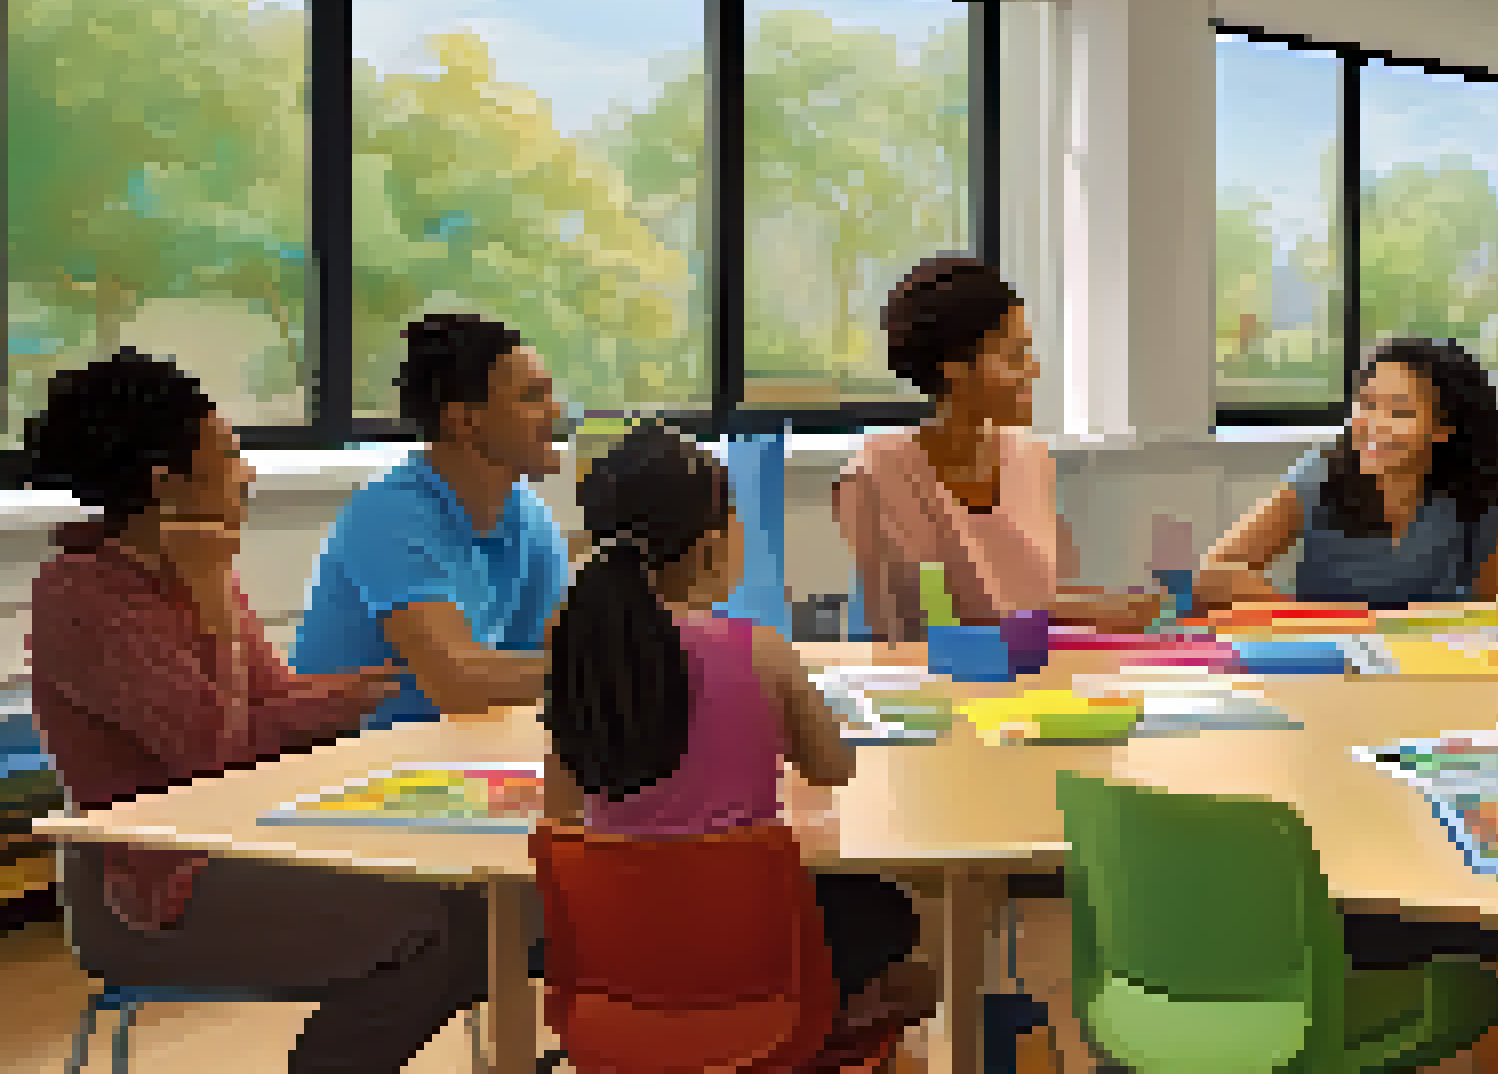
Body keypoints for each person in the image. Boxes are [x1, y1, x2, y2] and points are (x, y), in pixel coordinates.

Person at [25, 350, 492, 1074]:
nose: (247, 473)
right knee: (439, 924)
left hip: (251, 847)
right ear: (165, 482)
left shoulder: (198, 569)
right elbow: (217, 751)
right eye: (229, 454)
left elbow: (268, 705)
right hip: (157, 895)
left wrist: (355, 695)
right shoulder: (82, 597)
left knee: (484, 904)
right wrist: (220, 605)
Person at [541, 421, 936, 1031]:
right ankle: (832, 1026)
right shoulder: (761, 651)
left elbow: (561, 812)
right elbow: (834, 768)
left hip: (623, 951)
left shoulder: (579, 661)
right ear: (709, 548)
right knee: (890, 915)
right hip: (751, 944)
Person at [835, 256, 1162, 641]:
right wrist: (1072, 614)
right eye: (1014, 357)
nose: (1033, 370)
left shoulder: (1031, 459)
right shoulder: (879, 474)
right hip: (938, 675)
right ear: (954, 368)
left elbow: (1052, 595)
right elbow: (927, 627)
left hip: (1046, 666)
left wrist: (1130, 607)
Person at [293, 314, 571, 728]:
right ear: (463, 421)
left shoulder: (528, 517)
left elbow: (557, 648)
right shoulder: (391, 516)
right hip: (352, 755)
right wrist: (603, 667)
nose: (556, 411)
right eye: (532, 397)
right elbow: (459, 681)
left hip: (454, 753)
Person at [1195, 337, 1498, 609]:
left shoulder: (1474, 497)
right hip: (1330, 660)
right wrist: (1311, 621)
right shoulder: (1321, 475)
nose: (1374, 424)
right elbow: (1215, 576)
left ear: (1442, 428)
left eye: (1400, 411)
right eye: (1368, 404)